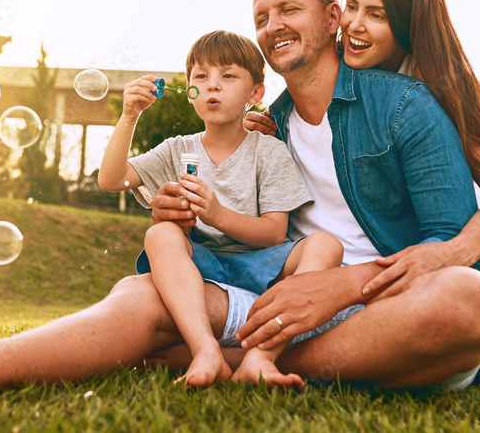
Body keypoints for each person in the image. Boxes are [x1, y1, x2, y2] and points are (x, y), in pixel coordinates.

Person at [0, 0, 480, 398]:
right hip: (276, 299)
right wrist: (190, 212)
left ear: (332, 19)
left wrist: (345, 286)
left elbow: (457, 243)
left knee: (467, 300)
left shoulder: (404, 105)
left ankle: (211, 352)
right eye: (261, 16)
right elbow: (251, 234)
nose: (271, 26)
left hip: (383, 309)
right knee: (147, 288)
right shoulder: (264, 124)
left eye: (288, 10)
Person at [152, 0, 480, 387]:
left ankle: (241, 360)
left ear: (408, 27)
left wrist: (450, 252)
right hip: (380, 254)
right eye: (353, 6)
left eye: (378, 15)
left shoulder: (434, 85)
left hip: (476, 229)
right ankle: (257, 361)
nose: (355, 24)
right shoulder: (291, 110)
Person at [98, 30, 344, 388]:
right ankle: (205, 350)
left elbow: (274, 232)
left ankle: (262, 357)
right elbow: (112, 179)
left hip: (263, 266)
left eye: (228, 76)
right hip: (201, 264)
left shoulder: (268, 150)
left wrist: (217, 215)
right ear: (190, 90)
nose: (213, 86)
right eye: (201, 77)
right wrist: (130, 116)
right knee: (160, 233)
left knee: (326, 245)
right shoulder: (176, 149)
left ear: (255, 94)